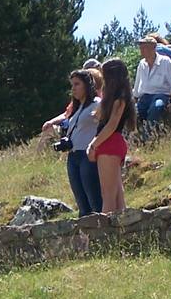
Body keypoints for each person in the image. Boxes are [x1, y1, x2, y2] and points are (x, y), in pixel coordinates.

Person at [48, 69, 103, 216]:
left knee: (94, 199)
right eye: (72, 85)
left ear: (87, 85)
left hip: (87, 154)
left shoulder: (97, 104)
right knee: (81, 202)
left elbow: (106, 124)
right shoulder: (76, 109)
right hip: (73, 156)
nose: (74, 88)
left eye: (77, 84)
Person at [88, 58, 136, 214]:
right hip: (115, 142)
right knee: (117, 195)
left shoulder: (118, 98)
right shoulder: (119, 96)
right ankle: (122, 230)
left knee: (108, 195)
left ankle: (105, 233)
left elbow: (111, 124)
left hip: (109, 142)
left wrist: (94, 144)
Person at [133, 34, 171, 132]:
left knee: (156, 107)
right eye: (141, 48)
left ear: (153, 48)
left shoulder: (165, 61)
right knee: (134, 112)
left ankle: (148, 137)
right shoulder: (141, 64)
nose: (142, 50)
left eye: (145, 48)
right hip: (144, 97)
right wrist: (134, 99)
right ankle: (138, 136)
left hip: (161, 95)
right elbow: (137, 86)